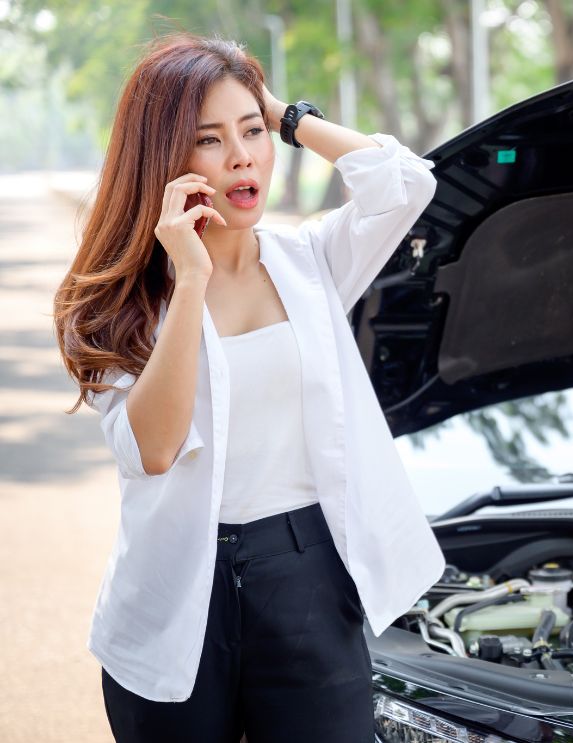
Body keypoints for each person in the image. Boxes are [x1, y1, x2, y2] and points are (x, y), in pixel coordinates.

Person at [52, 33, 446, 742]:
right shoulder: (116, 304)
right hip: (174, 593)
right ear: (164, 160)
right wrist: (192, 276)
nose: (241, 156)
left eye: (251, 132)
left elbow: (406, 182)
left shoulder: (312, 261)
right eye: (209, 139)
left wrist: (285, 115)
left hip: (305, 577)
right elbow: (155, 448)